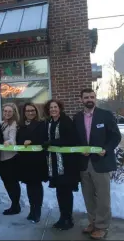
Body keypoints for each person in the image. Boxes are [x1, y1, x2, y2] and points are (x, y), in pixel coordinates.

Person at [73, 88, 121, 239]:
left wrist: (106, 150)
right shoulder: (77, 118)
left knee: (102, 196)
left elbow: (115, 137)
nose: (89, 99)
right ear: (81, 99)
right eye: (86, 97)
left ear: (95, 98)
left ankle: (102, 225)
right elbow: (75, 139)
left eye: (92, 97)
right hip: (84, 162)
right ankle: (92, 222)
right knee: (88, 196)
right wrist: (80, 150)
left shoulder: (105, 115)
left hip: (101, 162)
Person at [43, 99, 79, 231]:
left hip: (66, 164)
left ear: (60, 108)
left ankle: (68, 218)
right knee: (59, 191)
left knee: (66, 191)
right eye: (51, 107)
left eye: (55, 107)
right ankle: (62, 217)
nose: (53, 109)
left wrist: (52, 142)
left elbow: (70, 139)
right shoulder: (49, 122)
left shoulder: (66, 121)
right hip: (54, 163)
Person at [16, 103, 48, 223]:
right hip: (25, 161)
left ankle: (37, 211)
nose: (30, 113)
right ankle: (32, 209)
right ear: (24, 113)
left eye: (32, 110)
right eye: (28, 111)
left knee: (36, 186)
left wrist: (32, 141)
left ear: (36, 111)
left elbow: (44, 139)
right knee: (29, 186)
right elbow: (18, 140)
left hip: (37, 161)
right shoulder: (22, 126)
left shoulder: (41, 124)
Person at [0, 103, 21, 215]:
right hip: (2, 158)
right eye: (5, 111)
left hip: (11, 157)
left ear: (14, 113)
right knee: (6, 182)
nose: (7, 113)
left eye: (9, 111)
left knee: (13, 182)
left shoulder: (13, 124)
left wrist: (8, 142)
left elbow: (13, 140)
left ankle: (16, 205)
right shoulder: (2, 124)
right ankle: (13, 203)